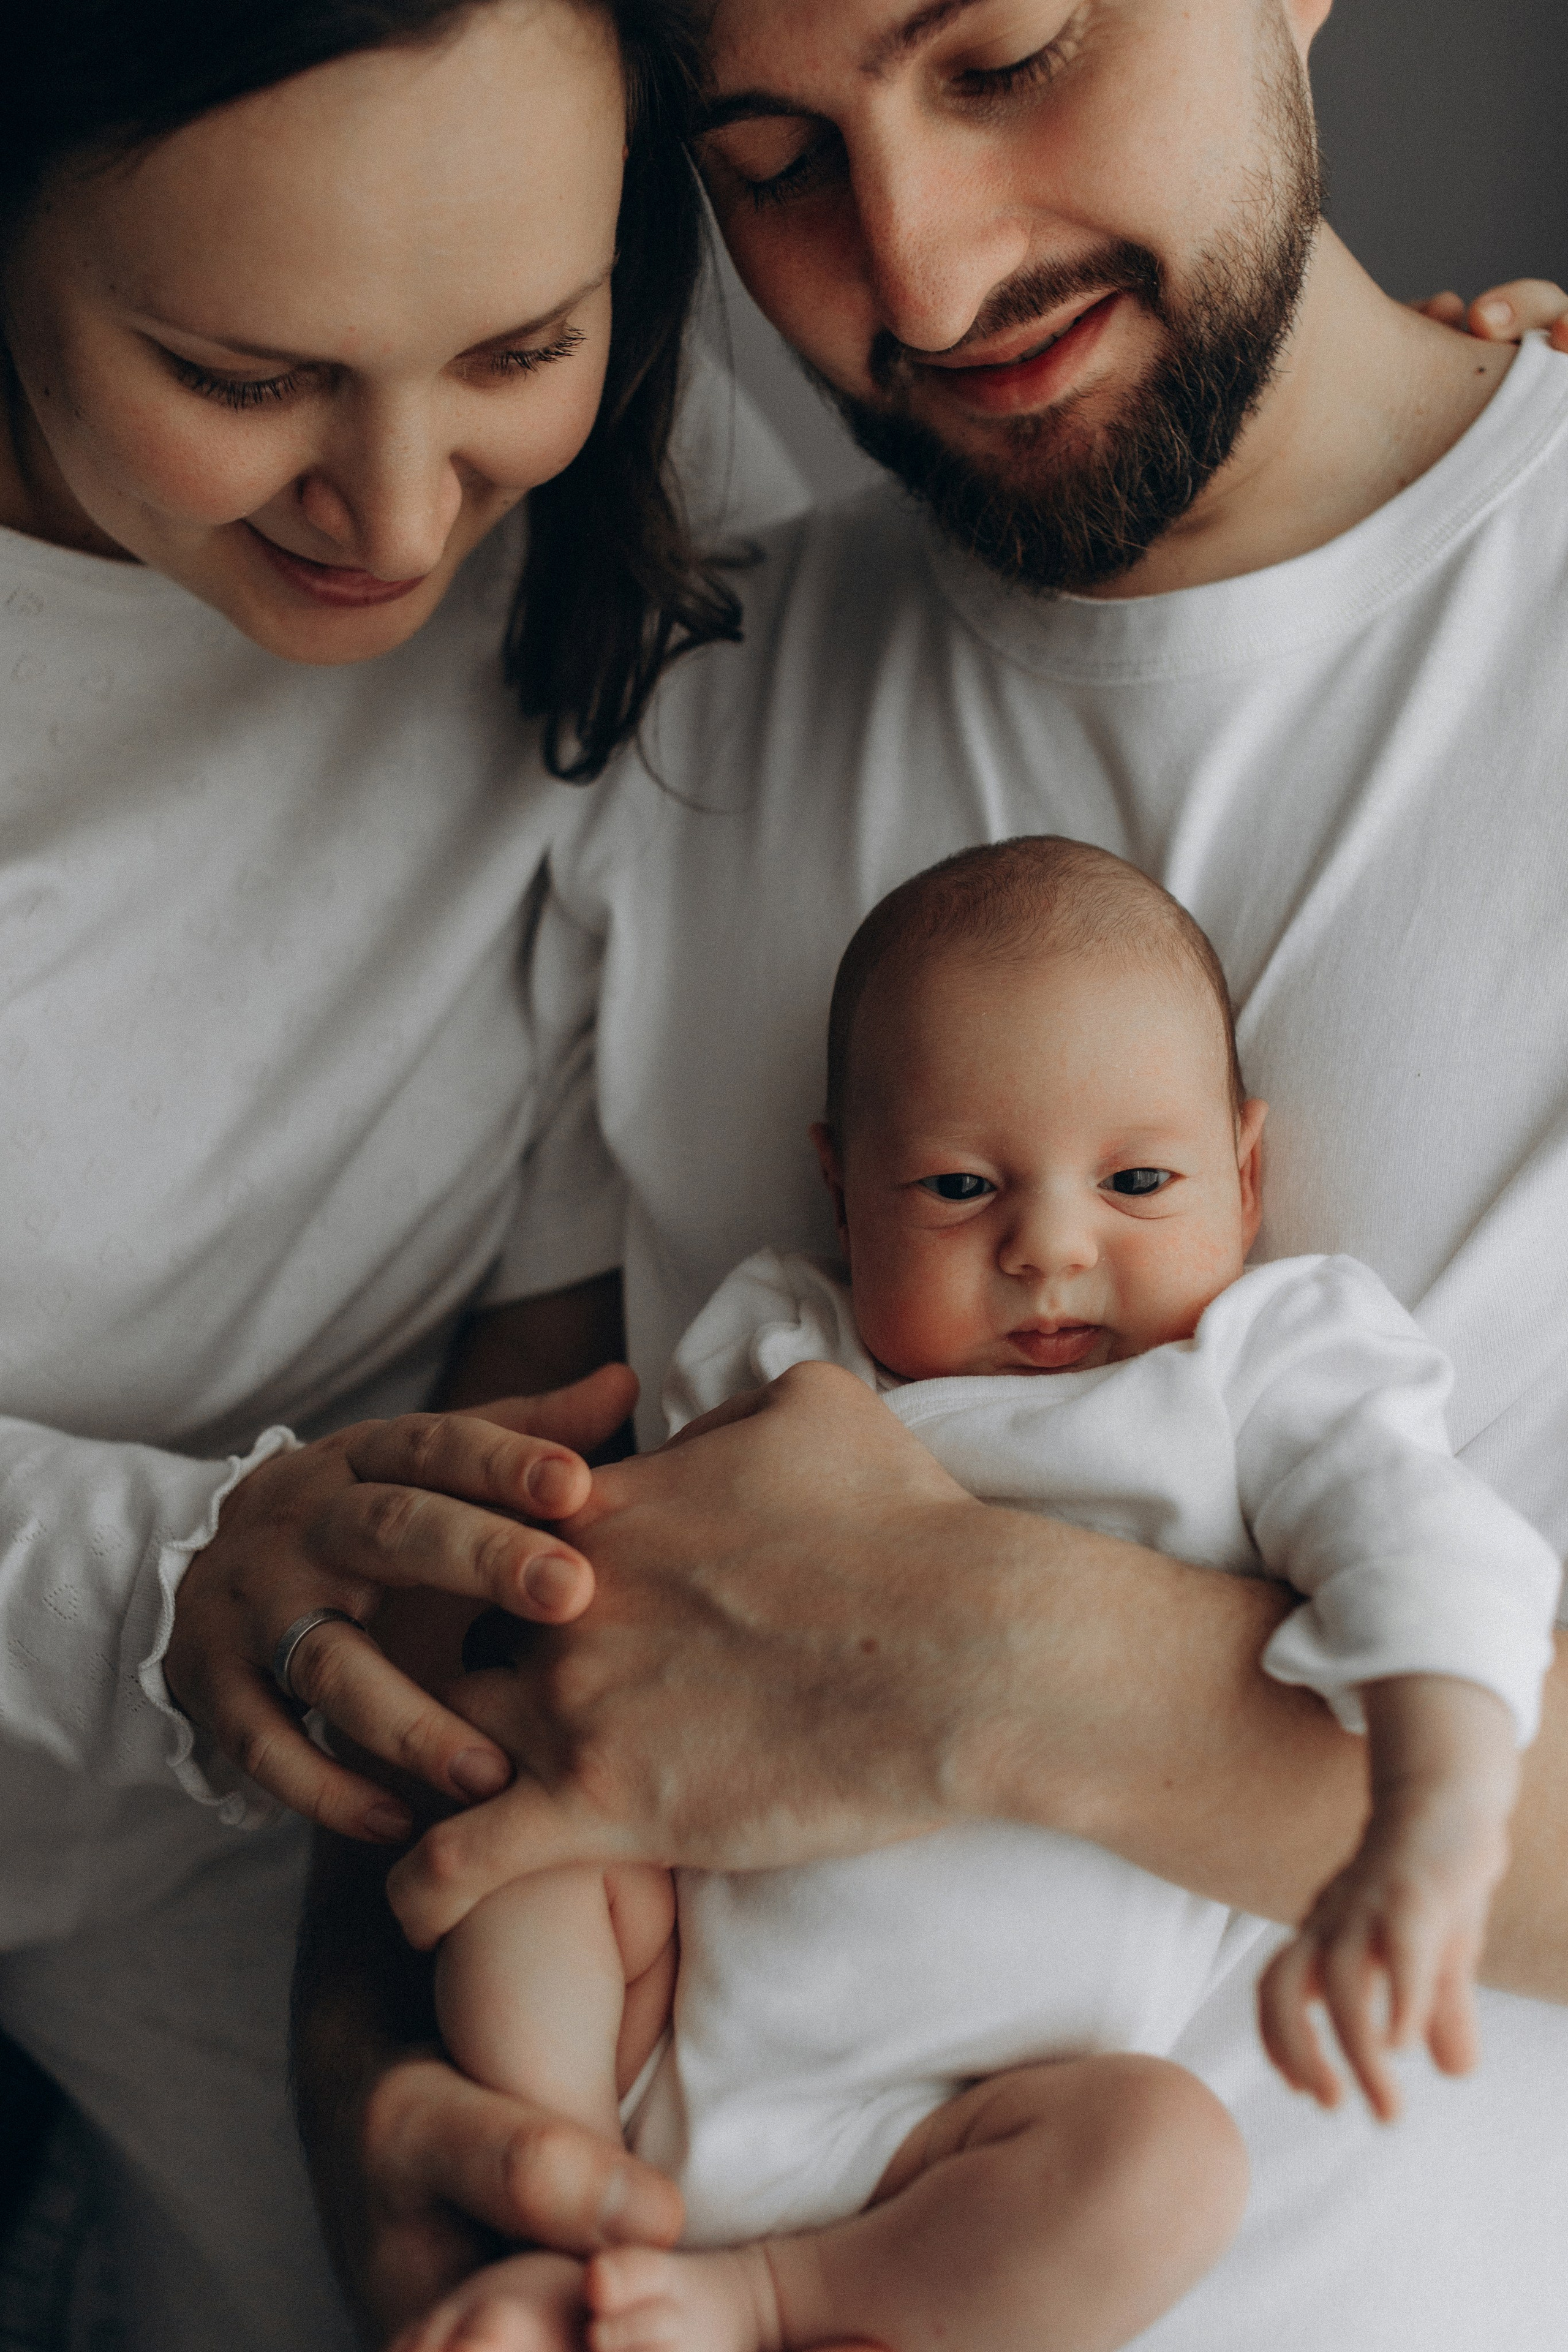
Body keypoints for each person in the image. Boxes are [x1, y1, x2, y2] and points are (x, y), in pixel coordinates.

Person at [294, 2, 1568, 2348]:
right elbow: (478, 1655)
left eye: (1001, 58)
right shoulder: (684, 711)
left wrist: (990, 1668)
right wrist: (391, 2122)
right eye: (771, 158)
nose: (921, 266)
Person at [0, 3, 807, 2346]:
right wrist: (164, 1576)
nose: (406, 511)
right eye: (241, 377)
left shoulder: (672, 506)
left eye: (518, 347)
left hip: (293, 1833)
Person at [408, 838, 1556, 2352]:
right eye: (958, 1188)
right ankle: (555, 2186)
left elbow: (1428, 1552)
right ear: (840, 1188)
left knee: (1161, 2168)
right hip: (665, 2015)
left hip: (979, 2125)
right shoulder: (786, 1345)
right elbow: (636, 1620)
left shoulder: (1257, 1370)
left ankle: (759, 2300)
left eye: (1139, 1181)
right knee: (524, 1846)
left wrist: (1425, 1813)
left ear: (1248, 1172)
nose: (1050, 1248)